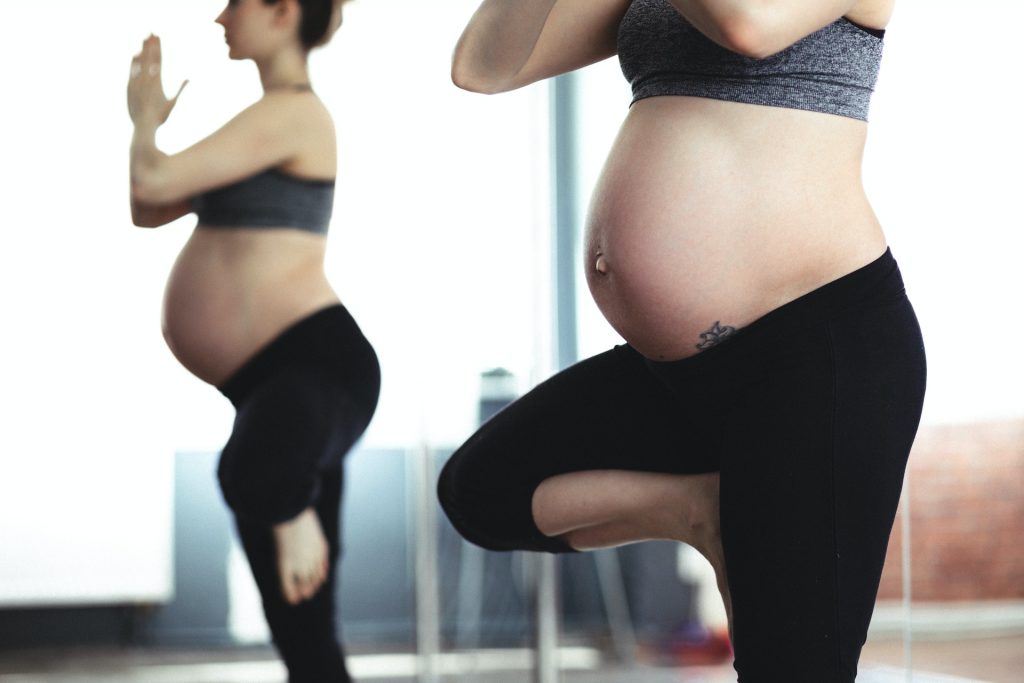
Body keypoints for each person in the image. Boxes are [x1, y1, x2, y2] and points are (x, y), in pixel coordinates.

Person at [437, 0, 926, 680]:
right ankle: (700, 511)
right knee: (483, 489)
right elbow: (482, 66)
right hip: (681, 375)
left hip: (814, 352)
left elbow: (747, 26)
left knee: (792, 667)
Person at [127, 1, 377, 680]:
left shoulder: (294, 113)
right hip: (278, 381)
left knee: (255, 476)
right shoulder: (263, 123)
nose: (220, 18)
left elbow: (151, 176)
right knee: (301, 626)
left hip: (315, 365)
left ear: (282, 10)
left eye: (235, 2)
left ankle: (289, 503)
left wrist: (146, 118)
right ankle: (286, 502)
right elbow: (148, 207)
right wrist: (145, 126)